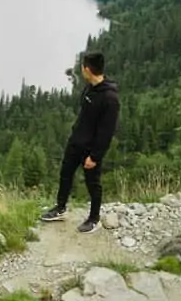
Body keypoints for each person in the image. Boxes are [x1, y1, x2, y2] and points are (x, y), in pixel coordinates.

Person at [40, 51, 120, 233]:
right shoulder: (89, 87)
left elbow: (106, 131)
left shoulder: (110, 98)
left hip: (91, 150)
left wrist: (95, 156)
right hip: (76, 142)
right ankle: (60, 208)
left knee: (93, 184)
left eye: (83, 66)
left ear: (87, 69)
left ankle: (94, 218)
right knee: (65, 174)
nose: (81, 69)